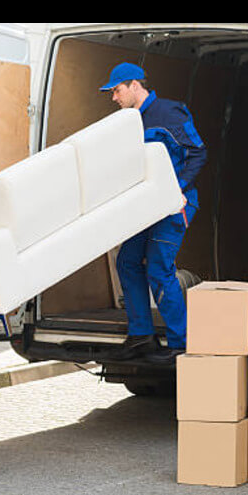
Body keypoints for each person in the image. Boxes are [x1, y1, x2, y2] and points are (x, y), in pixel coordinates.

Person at [100, 63, 207, 363]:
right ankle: (141, 337)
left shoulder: (169, 113)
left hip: (174, 206)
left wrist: (177, 189)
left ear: (135, 85)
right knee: (127, 262)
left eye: (117, 91)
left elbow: (198, 153)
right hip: (145, 208)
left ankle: (181, 343)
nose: (114, 98)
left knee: (159, 269)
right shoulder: (127, 122)